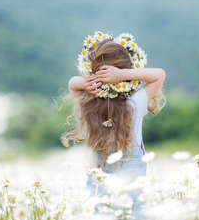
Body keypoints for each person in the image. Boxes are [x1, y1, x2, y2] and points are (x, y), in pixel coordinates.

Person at [62, 38, 166, 217]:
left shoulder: (89, 104)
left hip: (98, 183)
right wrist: (122, 75)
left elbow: (72, 83)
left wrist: (88, 82)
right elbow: (159, 75)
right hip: (131, 183)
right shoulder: (134, 104)